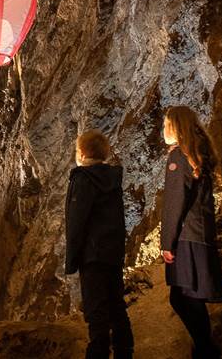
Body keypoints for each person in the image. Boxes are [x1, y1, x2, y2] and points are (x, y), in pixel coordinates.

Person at [160, 106, 222, 359]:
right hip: (199, 231)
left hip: (187, 234)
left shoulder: (178, 156)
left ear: (176, 126)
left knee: (185, 298)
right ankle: (204, 348)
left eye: (166, 123)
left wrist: (167, 241)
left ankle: (206, 350)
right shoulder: (199, 151)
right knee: (186, 297)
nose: (163, 129)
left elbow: (175, 201)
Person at [65, 129, 134, 359]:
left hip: (92, 255)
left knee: (96, 311)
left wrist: (72, 260)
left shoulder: (83, 179)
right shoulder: (112, 178)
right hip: (112, 253)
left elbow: (77, 222)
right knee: (116, 304)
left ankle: (98, 353)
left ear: (82, 153)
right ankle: (125, 352)